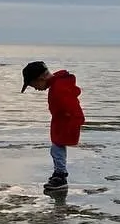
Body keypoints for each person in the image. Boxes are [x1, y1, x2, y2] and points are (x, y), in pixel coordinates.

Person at [20, 59, 84, 196]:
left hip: (65, 123)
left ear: (41, 78)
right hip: (62, 122)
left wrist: (75, 120)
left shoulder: (59, 88)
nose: (35, 88)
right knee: (57, 149)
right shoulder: (58, 85)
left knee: (57, 149)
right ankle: (59, 174)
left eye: (33, 85)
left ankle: (60, 176)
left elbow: (72, 105)